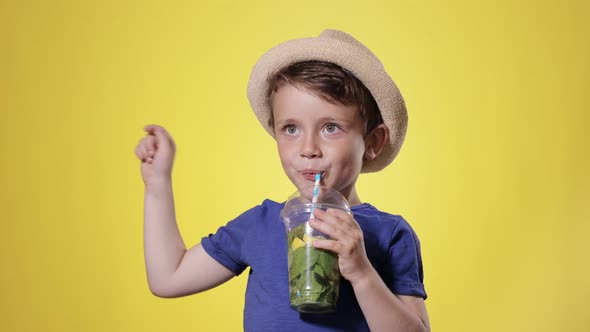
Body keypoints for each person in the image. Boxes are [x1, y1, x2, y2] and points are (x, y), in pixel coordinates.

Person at [134, 29, 430, 332]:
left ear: (373, 141)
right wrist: (157, 184)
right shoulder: (258, 224)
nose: (308, 149)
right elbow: (168, 278)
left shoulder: (389, 233)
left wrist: (362, 272)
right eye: (291, 129)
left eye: (331, 127)